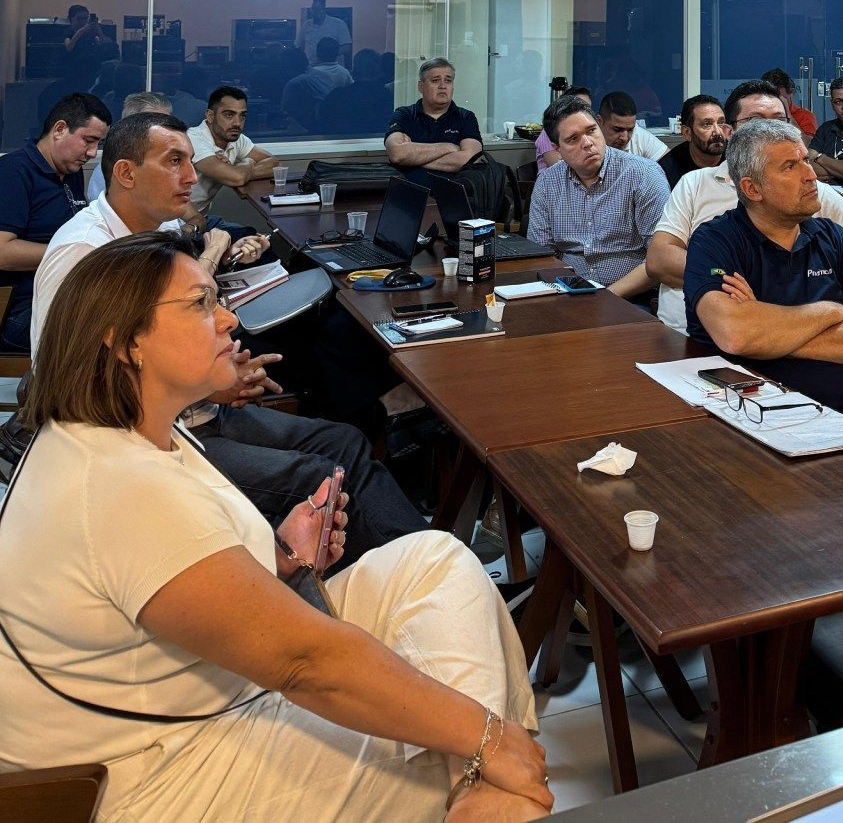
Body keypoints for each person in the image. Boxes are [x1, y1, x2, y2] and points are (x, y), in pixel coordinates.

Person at [0, 234, 547, 823]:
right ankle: (486, 786)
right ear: (125, 341)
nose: (228, 319)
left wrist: (281, 561)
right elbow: (306, 663)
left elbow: (171, 584)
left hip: (192, 700)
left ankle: (479, 785)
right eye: (200, 304)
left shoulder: (128, 433)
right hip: (155, 777)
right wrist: (487, 737)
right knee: (460, 748)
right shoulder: (118, 485)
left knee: (433, 560)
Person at [32, 113, 429, 560]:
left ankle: (430, 563)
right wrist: (208, 382)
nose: (191, 176)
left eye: (190, 160)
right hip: (143, 441)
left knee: (346, 441)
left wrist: (217, 373)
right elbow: (68, 384)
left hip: (195, 412)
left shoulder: (161, 232)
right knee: (322, 475)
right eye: (175, 161)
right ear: (126, 172)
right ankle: (402, 578)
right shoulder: (84, 255)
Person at [685, 119, 843, 417]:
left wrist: (766, 333)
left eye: (806, 160)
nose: (810, 175)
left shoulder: (833, 236)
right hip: (752, 417)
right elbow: (736, 335)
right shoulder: (715, 241)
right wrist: (832, 312)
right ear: (752, 188)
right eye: (790, 166)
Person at [645, 80, 843, 333]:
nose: (771, 131)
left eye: (779, 121)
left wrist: (793, 285)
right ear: (730, 132)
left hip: (797, 330)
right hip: (686, 335)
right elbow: (659, 261)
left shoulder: (813, 191)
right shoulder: (696, 183)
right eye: (755, 121)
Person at [0, 92, 110, 353]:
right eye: (88, 141)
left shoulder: (69, 172)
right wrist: (74, 253)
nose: (92, 152)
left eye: (98, 143)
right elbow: (2, 251)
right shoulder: (14, 172)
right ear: (59, 129)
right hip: (20, 309)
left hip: (64, 294)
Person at [526, 96, 669, 296]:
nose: (587, 143)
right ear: (557, 148)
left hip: (632, 297)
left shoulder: (643, 174)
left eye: (591, 131)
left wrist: (605, 298)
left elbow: (660, 259)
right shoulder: (548, 182)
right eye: (573, 139)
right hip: (568, 294)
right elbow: (542, 256)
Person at [187, 85, 278, 215]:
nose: (237, 123)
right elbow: (237, 178)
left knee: (251, 229)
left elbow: (273, 163)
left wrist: (237, 170)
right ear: (210, 116)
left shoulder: (234, 137)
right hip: (175, 222)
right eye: (229, 115)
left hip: (202, 217)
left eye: (242, 116)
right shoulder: (194, 139)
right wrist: (248, 162)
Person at [385, 58, 483, 176]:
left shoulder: (466, 117)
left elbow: (470, 160)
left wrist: (413, 159)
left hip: (453, 187)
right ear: (421, 86)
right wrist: (448, 147)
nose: (443, 86)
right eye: (435, 80)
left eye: (448, 81)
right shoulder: (404, 114)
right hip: (412, 186)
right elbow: (397, 154)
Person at [89, 90, 168, 200]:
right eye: (156, 125)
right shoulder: (108, 172)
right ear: (131, 128)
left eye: (167, 124)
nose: (166, 131)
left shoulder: (171, 164)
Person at [283, 37, 354, 131]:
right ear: (337, 53)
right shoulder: (344, 72)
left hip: (313, 123)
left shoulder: (307, 76)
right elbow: (351, 91)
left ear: (317, 53)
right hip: (338, 118)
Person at [659, 95, 729, 187]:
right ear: (687, 133)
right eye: (707, 124)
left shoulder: (738, 157)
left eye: (721, 123)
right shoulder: (667, 171)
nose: (718, 132)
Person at [597, 90, 667, 162]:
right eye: (618, 130)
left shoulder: (639, 136)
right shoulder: (590, 143)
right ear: (599, 122)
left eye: (630, 130)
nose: (625, 138)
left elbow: (670, 164)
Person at [534, 84, 591, 171]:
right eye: (579, 108)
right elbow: (556, 168)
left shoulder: (586, 131)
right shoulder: (549, 131)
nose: (584, 112)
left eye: (588, 108)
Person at [761, 68, 817, 139]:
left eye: (777, 96)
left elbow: (808, 144)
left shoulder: (804, 116)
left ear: (790, 92)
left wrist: (787, 114)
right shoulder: (760, 116)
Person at [298, 0, 352, 66]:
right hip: (312, 68)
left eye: (318, 10)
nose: (315, 12)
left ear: (324, 10)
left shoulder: (339, 24)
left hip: (333, 69)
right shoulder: (306, 25)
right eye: (313, 9)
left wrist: (329, 54)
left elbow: (347, 47)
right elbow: (299, 46)